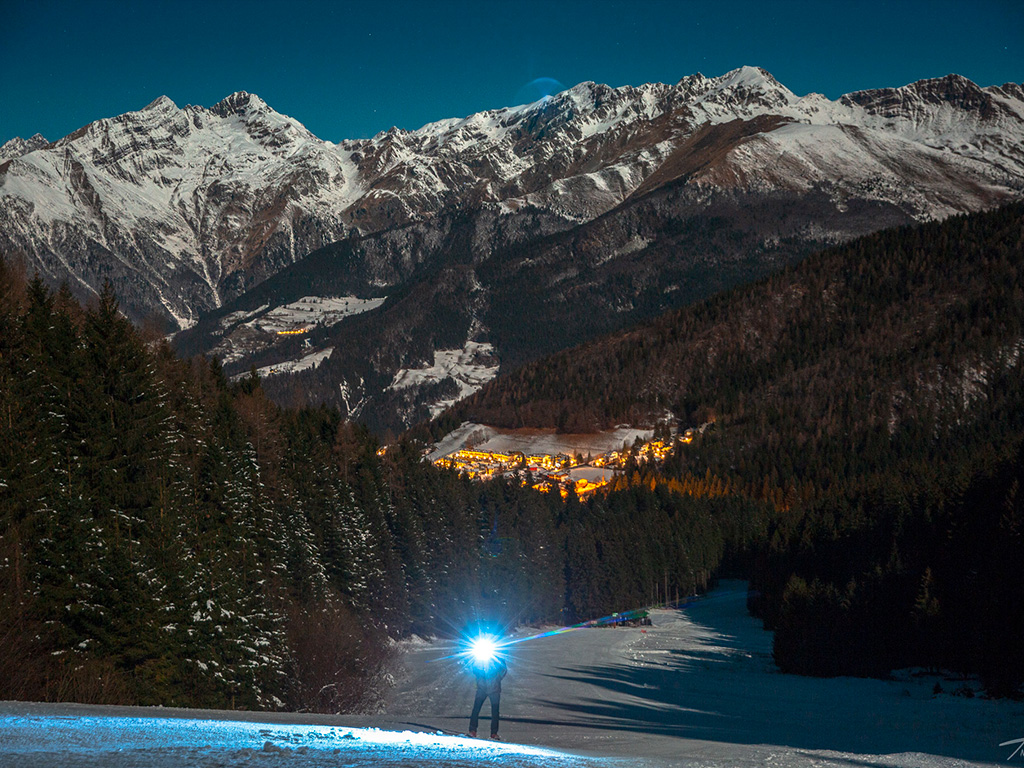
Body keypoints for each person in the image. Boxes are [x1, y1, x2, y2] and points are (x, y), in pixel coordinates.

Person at [468, 655, 507, 739]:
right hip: (482, 687)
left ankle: (494, 733)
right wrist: (479, 676)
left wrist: (498, 678)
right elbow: (473, 667)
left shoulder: (498, 656)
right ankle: (472, 730)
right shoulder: (479, 657)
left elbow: (503, 669)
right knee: (476, 708)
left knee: (495, 711)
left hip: (494, 687)